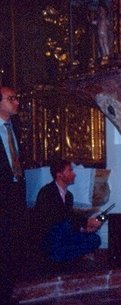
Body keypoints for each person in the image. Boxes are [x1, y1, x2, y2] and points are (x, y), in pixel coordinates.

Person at [33, 158, 102, 263]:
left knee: (95, 239)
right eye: (69, 170)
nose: (73, 174)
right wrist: (87, 222)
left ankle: (59, 257)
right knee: (65, 225)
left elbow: (69, 219)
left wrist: (84, 228)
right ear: (59, 174)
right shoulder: (47, 192)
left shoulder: (69, 196)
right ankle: (56, 255)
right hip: (49, 237)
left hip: (64, 236)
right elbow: (57, 219)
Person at [0, 86, 27, 305]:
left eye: (16, 98)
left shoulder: (14, 128)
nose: (16, 102)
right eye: (11, 99)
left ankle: (6, 294)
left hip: (15, 195)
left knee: (11, 247)